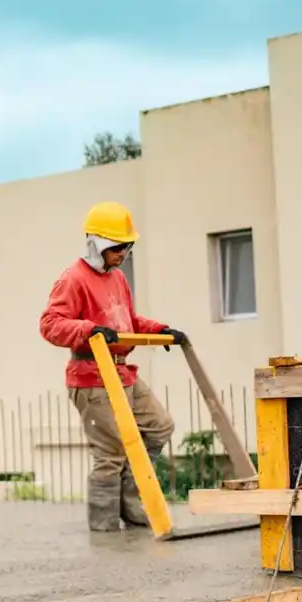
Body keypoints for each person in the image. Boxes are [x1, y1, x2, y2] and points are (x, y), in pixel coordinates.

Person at [38, 201, 185, 532]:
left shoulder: (117, 278)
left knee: (159, 425)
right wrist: (88, 330)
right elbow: (50, 324)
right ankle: (104, 528)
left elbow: (128, 321)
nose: (124, 253)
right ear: (98, 245)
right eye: (118, 247)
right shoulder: (73, 278)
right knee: (110, 454)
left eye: (128, 246)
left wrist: (159, 330)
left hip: (122, 371)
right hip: (92, 378)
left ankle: (131, 506)